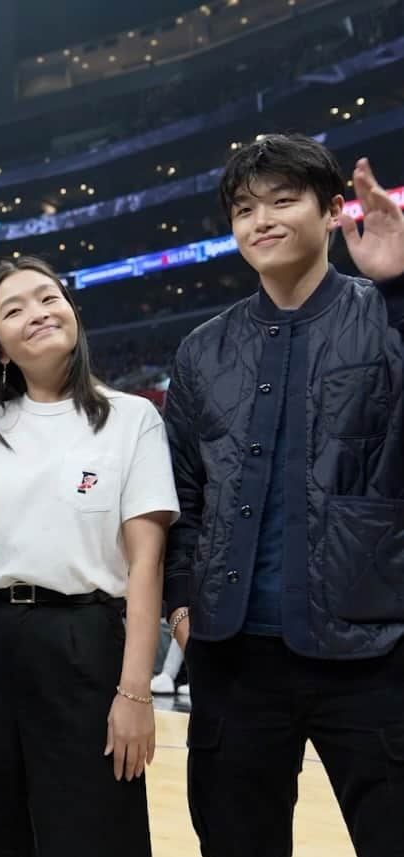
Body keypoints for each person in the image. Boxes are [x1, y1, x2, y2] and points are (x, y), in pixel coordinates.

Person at [164, 133, 404, 857]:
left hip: (373, 646)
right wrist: (181, 597)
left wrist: (399, 289)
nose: (260, 219)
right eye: (243, 208)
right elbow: (181, 491)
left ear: (333, 210)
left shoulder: (385, 313)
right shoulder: (201, 350)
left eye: (282, 199)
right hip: (233, 655)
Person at [0, 255, 180, 857]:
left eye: (48, 298)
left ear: (72, 313)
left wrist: (135, 691)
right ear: (0, 347)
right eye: (13, 310)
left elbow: (147, 564)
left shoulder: (132, 418)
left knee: (95, 830)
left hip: (83, 641)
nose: (36, 313)